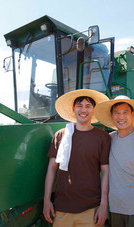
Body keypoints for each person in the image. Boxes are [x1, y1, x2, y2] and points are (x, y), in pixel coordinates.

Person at [43, 89, 111, 227]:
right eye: (80, 105)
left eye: (88, 106)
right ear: (73, 109)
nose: (83, 110)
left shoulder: (102, 137)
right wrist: (46, 200)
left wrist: (104, 205)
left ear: (93, 110)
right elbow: (51, 169)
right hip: (62, 209)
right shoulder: (61, 135)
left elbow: (106, 172)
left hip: (91, 209)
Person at [94, 95, 134, 227]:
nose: (121, 117)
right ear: (112, 116)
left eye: (125, 112)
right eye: (117, 113)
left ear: (132, 114)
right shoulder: (108, 139)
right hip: (115, 209)